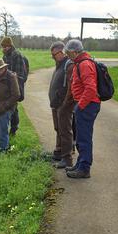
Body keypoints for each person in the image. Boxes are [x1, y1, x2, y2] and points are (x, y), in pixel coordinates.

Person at [64, 39, 101, 179]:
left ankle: (84, 169)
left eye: (68, 52)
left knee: (84, 138)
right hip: (85, 104)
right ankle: (80, 164)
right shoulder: (80, 63)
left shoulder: (84, 64)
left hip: (87, 105)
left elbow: (91, 88)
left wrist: (80, 106)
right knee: (80, 137)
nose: (67, 55)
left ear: (75, 51)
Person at [48, 41, 75, 169]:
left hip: (64, 104)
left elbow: (70, 87)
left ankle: (67, 159)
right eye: (52, 55)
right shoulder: (59, 65)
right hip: (56, 103)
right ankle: (58, 153)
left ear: (62, 52)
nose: (54, 57)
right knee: (58, 129)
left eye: (55, 54)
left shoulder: (68, 65)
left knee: (65, 131)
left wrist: (64, 103)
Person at [0, 59, 20, 153]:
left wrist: (4, 106)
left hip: (6, 108)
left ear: (4, 67)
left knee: (3, 129)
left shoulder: (11, 77)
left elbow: (16, 95)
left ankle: (3, 150)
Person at [1, 36, 26, 136]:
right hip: (6, 87)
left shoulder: (17, 55)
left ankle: (14, 129)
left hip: (15, 86)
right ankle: (8, 128)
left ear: (10, 45)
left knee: (14, 108)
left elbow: (20, 75)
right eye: (3, 46)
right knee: (9, 108)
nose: (4, 48)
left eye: (6, 46)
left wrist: (14, 88)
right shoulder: (5, 57)